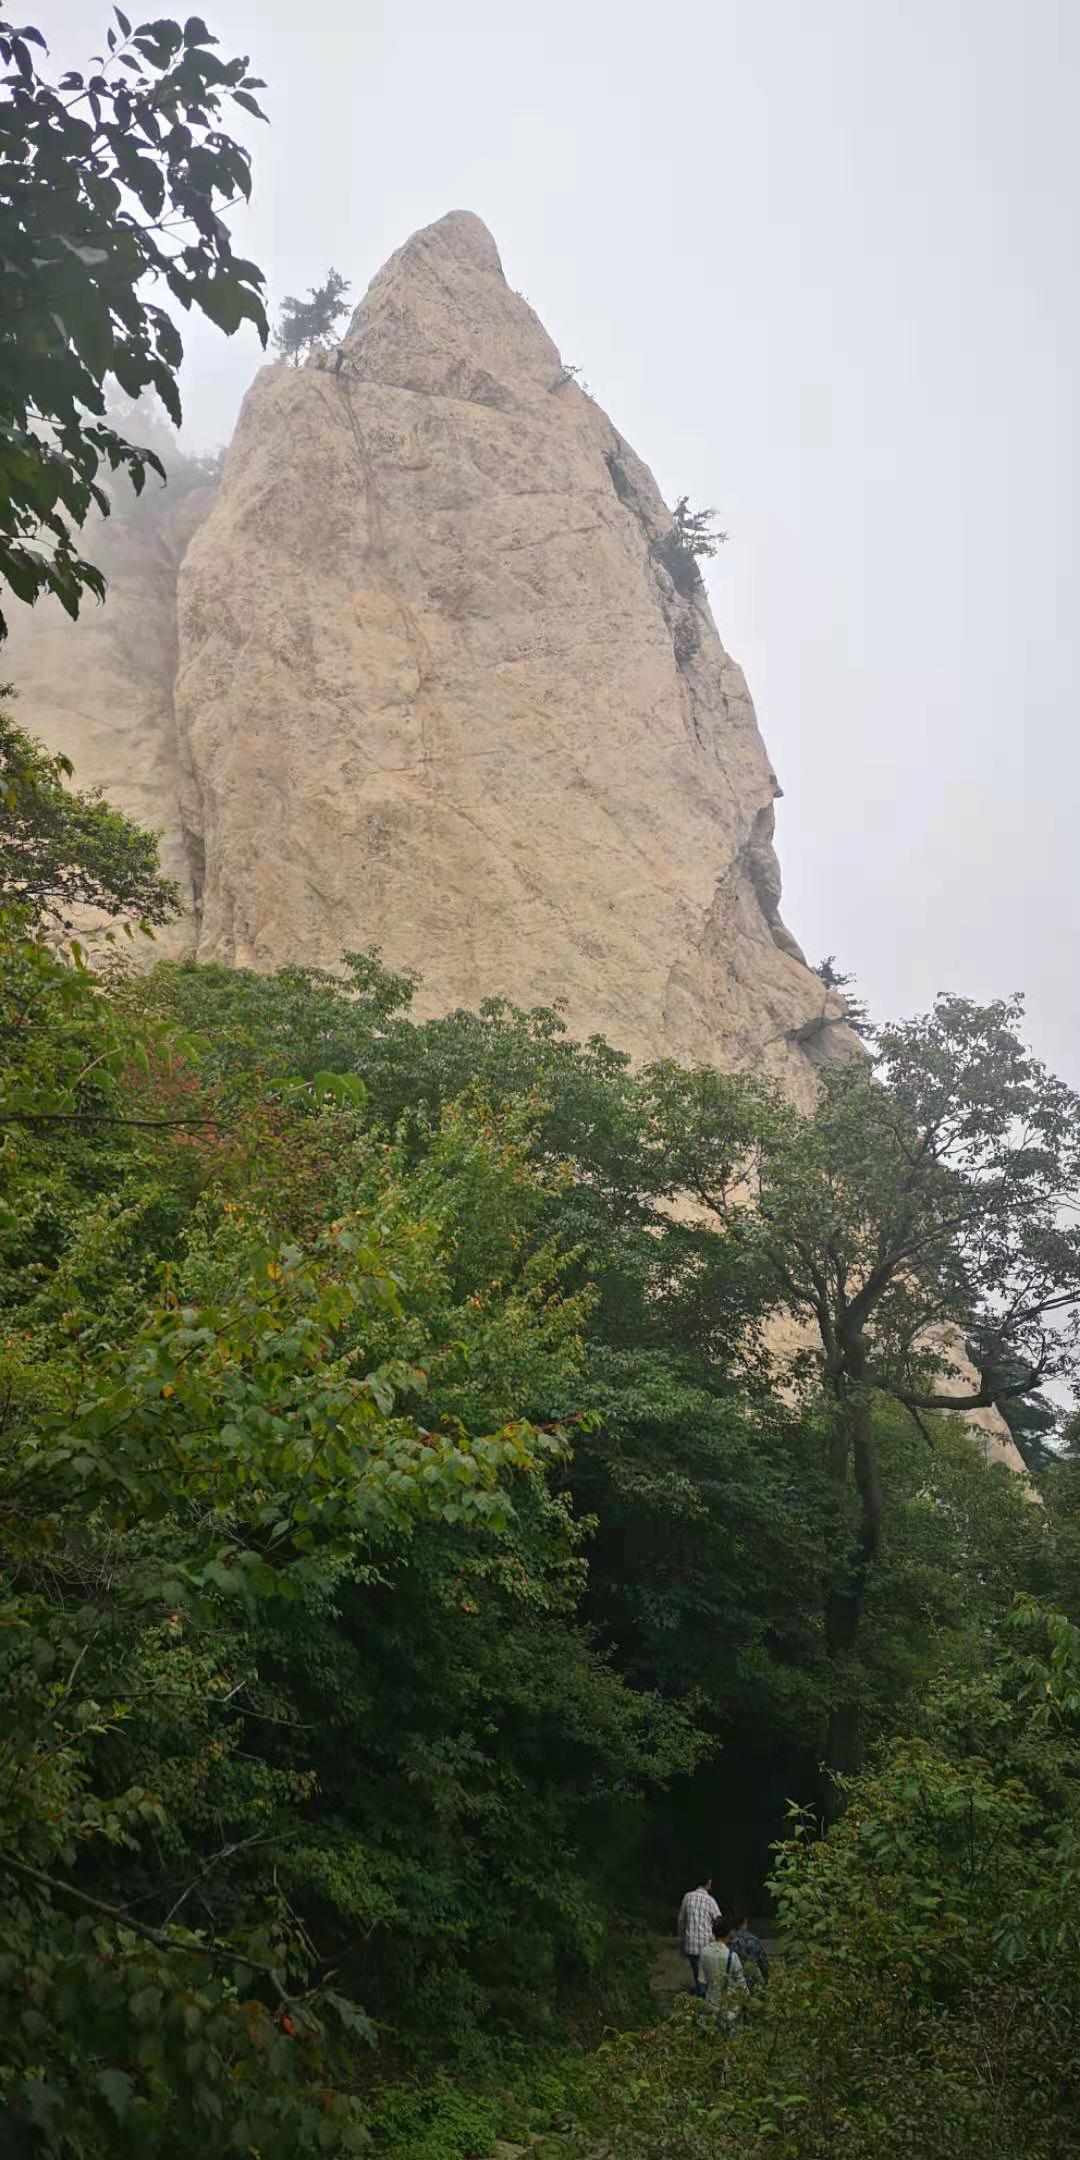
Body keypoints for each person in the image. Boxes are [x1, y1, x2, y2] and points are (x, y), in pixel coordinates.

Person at [699, 1913, 750, 2025]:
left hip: (710, 2004)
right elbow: (742, 1985)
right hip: (729, 2007)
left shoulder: (704, 1952)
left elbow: (702, 1980)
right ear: (729, 1933)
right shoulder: (732, 1956)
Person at [677, 1875, 720, 1994]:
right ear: (708, 1882)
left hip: (690, 1945)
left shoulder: (687, 1897)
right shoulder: (710, 1900)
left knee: (697, 1974)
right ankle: (704, 1998)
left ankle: (700, 1994)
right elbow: (718, 1920)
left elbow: (681, 1920)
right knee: (707, 1975)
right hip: (706, 1944)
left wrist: (682, 1938)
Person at [730, 1909, 770, 1990]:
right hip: (749, 1978)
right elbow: (761, 1961)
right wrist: (766, 1978)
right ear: (744, 1923)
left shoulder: (728, 1940)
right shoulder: (752, 1939)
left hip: (732, 1980)